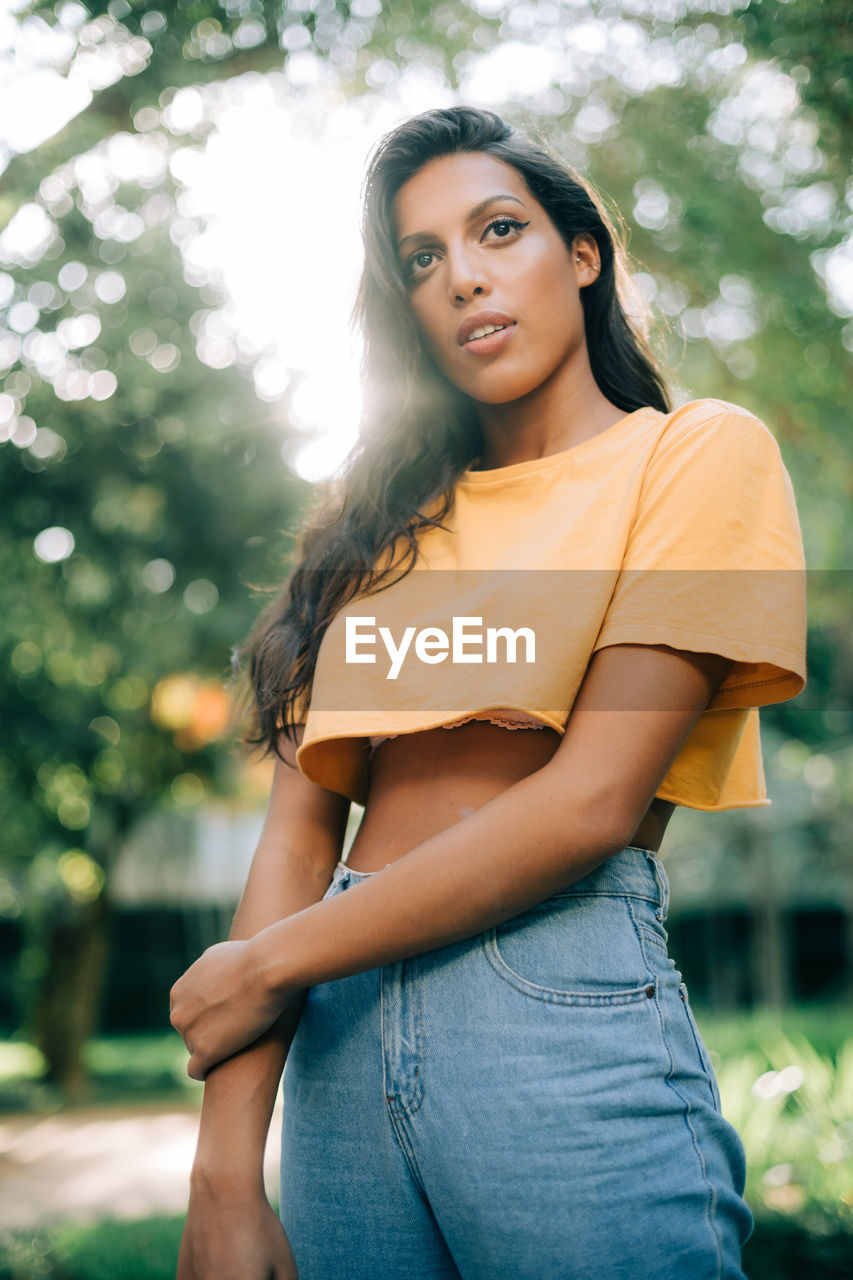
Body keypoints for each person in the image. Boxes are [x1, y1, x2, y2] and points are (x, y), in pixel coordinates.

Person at [170, 106, 807, 1279]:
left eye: (498, 229)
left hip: (551, 990)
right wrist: (222, 1174)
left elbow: (591, 803)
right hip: (334, 1034)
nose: (462, 278)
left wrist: (267, 964)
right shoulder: (372, 534)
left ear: (582, 253)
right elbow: (296, 842)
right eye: (422, 259)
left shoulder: (692, 456)